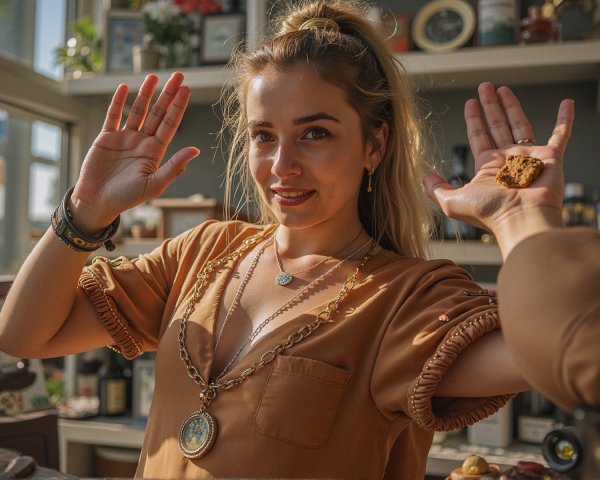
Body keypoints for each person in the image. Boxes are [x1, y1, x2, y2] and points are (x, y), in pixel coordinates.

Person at [0, 0, 595, 478]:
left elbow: (563, 361)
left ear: (374, 146)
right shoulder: (205, 251)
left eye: (314, 133)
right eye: (264, 135)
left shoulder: (408, 297)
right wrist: (85, 213)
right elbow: (24, 334)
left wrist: (522, 219)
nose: (281, 164)